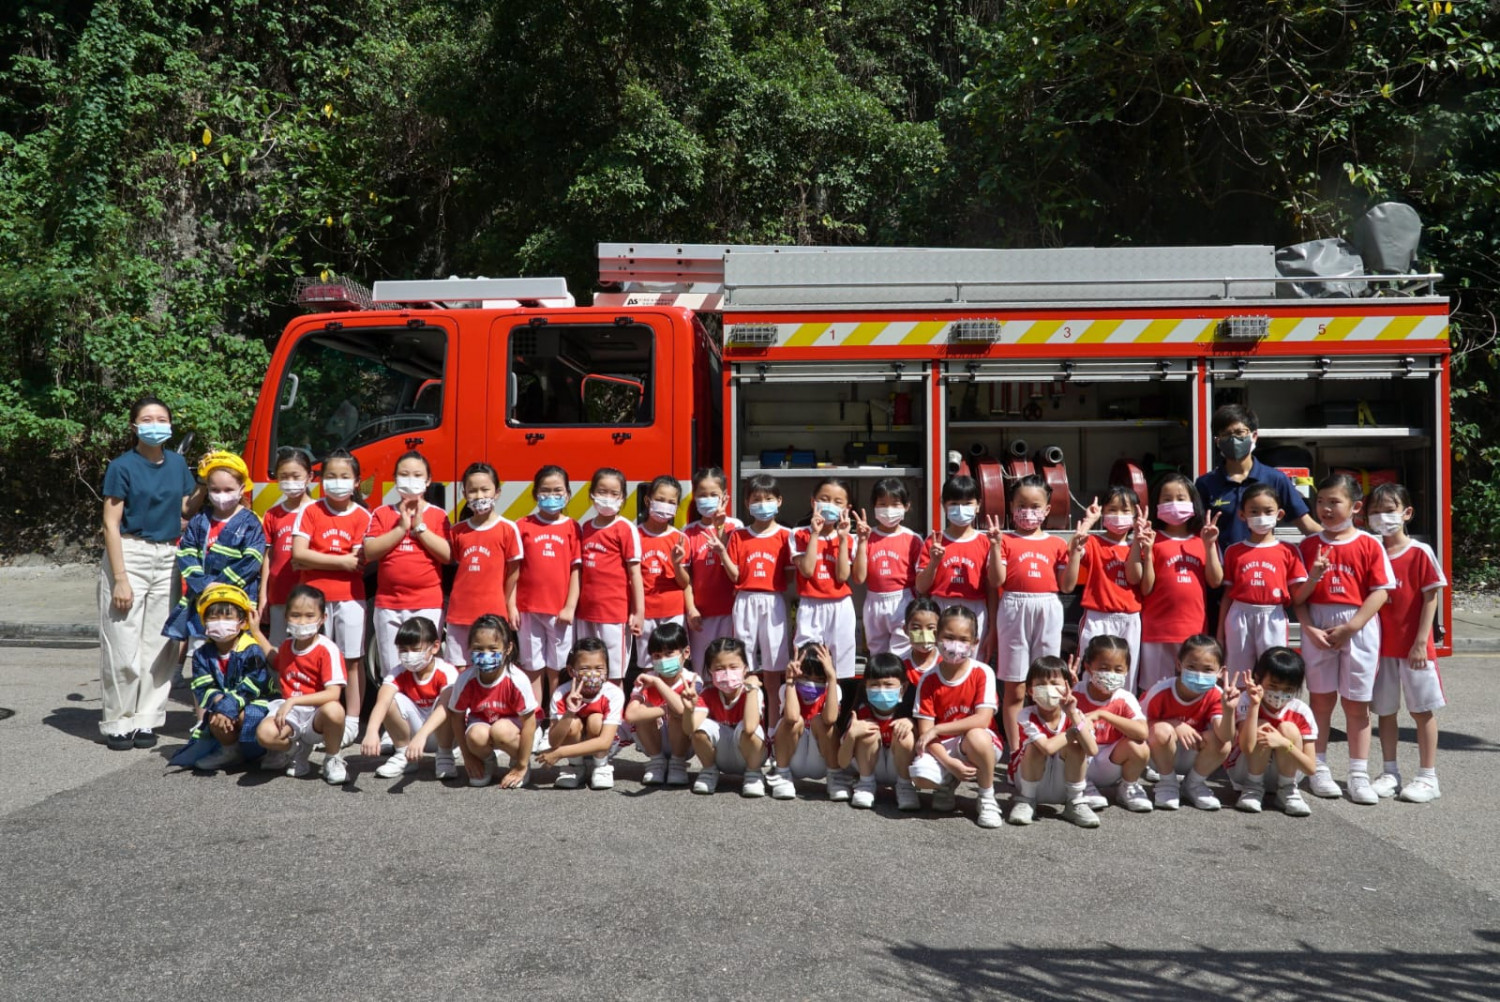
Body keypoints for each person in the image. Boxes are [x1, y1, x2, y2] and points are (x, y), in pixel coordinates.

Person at [98, 396, 203, 748]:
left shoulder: (178, 464)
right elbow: (110, 524)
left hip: (168, 555)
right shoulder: (122, 466)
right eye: (147, 419)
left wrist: (204, 482)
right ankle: (119, 720)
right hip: (130, 553)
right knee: (122, 645)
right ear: (134, 426)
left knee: (160, 645)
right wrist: (120, 578)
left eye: (161, 418)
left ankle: (146, 719)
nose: (155, 424)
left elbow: (186, 507)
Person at [1295, 473, 1396, 805]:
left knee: (1356, 704)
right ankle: (1317, 768)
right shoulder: (1308, 546)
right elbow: (1298, 598)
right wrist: (1309, 628)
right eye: (1320, 502)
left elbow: (1381, 591)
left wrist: (1352, 627)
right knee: (1321, 701)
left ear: (1355, 506)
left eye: (1334, 502)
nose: (1325, 508)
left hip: (1358, 626)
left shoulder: (1370, 544)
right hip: (1318, 628)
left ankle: (1358, 773)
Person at [1365, 482, 1446, 803]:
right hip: (1380, 649)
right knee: (1385, 712)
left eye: (1389, 510)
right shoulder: (1372, 551)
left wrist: (1421, 641)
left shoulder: (1420, 552)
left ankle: (1428, 777)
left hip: (1415, 649)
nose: (1382, 517)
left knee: (1421, 711)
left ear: (1407, 512)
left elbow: (1431, 598)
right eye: (1375, 511)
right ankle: (1390, 772)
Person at [290, 449, 371, 745]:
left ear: (357, 482)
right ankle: (313, 718)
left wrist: (317, 558)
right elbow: (298, 554)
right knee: (313, 658)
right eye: (331, 476)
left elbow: (358, 561)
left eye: (344, 476)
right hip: (312, 599)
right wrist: (340, 561)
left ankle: (352, 721)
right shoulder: (310, 511)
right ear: (321, 480)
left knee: (352, 660)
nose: (337, 482)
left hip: (350, 598)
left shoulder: (363, 516)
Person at [988, 473, 1070, 758]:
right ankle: (1016, 751)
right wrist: (995, 546)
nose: (1028, 512)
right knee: (1016, 687)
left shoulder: (1057, 543)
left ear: (1047, 509)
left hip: (1047, 605)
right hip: (1014, 606)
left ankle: (1047, 747)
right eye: (1021, 505)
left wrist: (1077, 551)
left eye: (1035, 506)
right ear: (1011, 507)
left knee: (1047, 683)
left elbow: (1067, 585)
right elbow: (996, 580)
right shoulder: (1005, 540)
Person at [408, 613, 537, 789]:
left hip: (511, 728)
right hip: (481, 725)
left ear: (508, 648)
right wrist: (468, 757)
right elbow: (457, 718)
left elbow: (529, 723)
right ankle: (486, 761)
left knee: (501, 730)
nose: (485, 655)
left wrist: (522, 765)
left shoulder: (517, 679)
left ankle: (518, 762)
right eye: (478, 649)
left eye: (493, 649)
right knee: (476, 735)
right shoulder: (466, 679)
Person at [163, 450, 265, 658]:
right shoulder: (200, 521)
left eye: (228, 489)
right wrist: (203, 585)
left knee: (238, 652)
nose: (221, 495)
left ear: (242, 489)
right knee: (203, 653)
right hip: (204, 601)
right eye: (215, 489)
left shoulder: (251, 522)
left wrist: (219, 585)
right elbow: (186, 552)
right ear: (207, 489)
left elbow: (252, 559)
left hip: (237, 599)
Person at [908, 605, 1003, 829]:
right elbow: (926, 733)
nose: (955, 645)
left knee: (976, 736)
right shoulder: (928, 680)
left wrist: (938, 729)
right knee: (920, 775)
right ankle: (947, 782)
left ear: (975, 642)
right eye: (949, 637)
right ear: (937, 637)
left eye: (963, 639)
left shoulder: (982, 672)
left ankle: (987, 797)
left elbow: (982, 719)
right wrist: (951, 764)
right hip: (943, 747)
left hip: (980, 742)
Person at [1128, 474, 1223, 693]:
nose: (1174, 504)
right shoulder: (1152, 539)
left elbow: (1215, 581)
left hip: (1194, 631)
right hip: (1157, 631)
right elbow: (1145, 588)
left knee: (1191, 691)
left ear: (1193, 502)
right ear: (1157, 504)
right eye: (1167, 499)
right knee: (1155, 691)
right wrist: (1147, 550)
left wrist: (1209, 546)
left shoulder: (1203, 539)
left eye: (1181, 498)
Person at [363, 451, 451, 681]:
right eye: (404, 474)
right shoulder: (382, 513)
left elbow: (447, 555)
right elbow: (370, 551)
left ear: (428, 480)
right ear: (395, 479)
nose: (410, 480)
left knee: (425, 669)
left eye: (417, 475)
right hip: (388, 605)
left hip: (427, 604)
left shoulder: (438, 515)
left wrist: (420, 528)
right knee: (392, 671)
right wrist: (401, 528)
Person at [250, 584, 350, 783]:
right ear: (286, 616)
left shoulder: (327, 649)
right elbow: (275, 660)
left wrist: (293, 701)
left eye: (309, 616)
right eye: (295, 615)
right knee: (265, 734)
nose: (302, 621)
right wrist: (256, 632)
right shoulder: (287, 645)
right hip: (291, 714)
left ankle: (332, 758)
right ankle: (294, 751)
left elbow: (333, 693)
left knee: (335, 710)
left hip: (316, 715)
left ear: (323, 618)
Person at [1195, 402, 1319, 550]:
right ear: (1217, 441)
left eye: (1240, 432)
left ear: (1254, 436)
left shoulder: (1275, 479)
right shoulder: (1206, 484)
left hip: (1265, 562)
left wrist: (1339, 542)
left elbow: (1307, 525)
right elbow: (1193, 532)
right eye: (1226, 434)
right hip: (1222, 564)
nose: (1233, 439)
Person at [1218, 484, 1314, 673]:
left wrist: (1315, 577)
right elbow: (1228, 595)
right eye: (1254, 511)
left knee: (1274, 670)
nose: (1261, 516)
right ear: (1242, 515)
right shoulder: (1234, 551)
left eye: (1268, 511)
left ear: (1279, 514)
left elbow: (1298, 595)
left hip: (1273, 614)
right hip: (1239, 614)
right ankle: (1240, 694)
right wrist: (1220, 632)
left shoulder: (1288, 550)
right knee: (1237, 673)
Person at [515, 465, 581, 742]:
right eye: (545, 491)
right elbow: (514, 571)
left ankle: (554, 722)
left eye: (557, 491)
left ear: (567, 494)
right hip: (528, 610)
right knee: (532, 669)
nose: (551, 496)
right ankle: (534, 725)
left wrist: (570, 606)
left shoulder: (572, 527)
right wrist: (511, 605)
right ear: (535, 494)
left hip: (560, 613)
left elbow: (576, 570)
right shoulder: (522, 526)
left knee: (557, 671)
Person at [724, 474, 793, 722]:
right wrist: (721, 552)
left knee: (774, 671)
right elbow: (734, 575)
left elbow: (789, 576)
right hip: (745, 600)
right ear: (746, 503)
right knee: (744, 665)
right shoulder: (738, 536)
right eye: (756, 499)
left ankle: (772, 727)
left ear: (779, 501)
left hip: (773, 601)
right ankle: (746, 725)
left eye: (768, 498)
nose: (762, 504)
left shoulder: (786, 535)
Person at [185, 584, 275, 772]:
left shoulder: (252, 649)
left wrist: (229, 706)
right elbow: (203, 686)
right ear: (204, 622)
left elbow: (254, 684)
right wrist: (221, 706)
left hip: (255, 703)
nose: (220, 623)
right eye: (213, 617)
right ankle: (230, 751)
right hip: (225, 704)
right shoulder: (202, 654)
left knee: (244, 716)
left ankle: (270, 750)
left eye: (228, 617)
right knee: (215, 718)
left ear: (242, 622)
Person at [1141, 635, 1235, 811]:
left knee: (1222, 743)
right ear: (1179, 665)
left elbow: (1226, 736)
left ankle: (1193, 784)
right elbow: (1138, 727)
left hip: (1194, 754)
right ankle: (1167, 783)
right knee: (1161, 730)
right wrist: (1175, 724)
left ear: (1221, 672)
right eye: (1191, 667)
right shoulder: (1159, 691)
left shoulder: (1217, 695)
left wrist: (1229, 710)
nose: (1199, 674)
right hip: (1159, 756)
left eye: (1208, 669)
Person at [360, 616, 461, 779]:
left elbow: (444, 708)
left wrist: (421, 736)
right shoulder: (397, 673)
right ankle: (403, 754)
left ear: (435, 647)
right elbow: (382, 702)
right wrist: (371, 731)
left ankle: (445, 755)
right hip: (413, 733)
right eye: (403, 650)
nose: (409, 655)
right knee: (390, 701)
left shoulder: (446, 671)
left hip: (442, 734)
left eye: (415, 649)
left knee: (448, 702)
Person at [1007, 655, 1101, 828]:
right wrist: (1074, 732)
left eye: (1054, 683)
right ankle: (1026, 801)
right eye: (1041, 684)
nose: (1048, 689)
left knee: (1076, 747)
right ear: (1030, 691)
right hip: (1031, 784)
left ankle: (1075, 802)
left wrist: (1073, 715)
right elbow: (1047, 748)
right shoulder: (1026, 714)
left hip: (1064, 786)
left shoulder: (1076, 715)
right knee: (1034, 747)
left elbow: (1092, 750)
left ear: (1067, 688)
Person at [1062, 489, 1145, 682]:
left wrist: (1137, 539)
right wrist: (1088, 522)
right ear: (1103, 513)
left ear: (1135, 514)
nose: (1118, 515)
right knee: (1090, 673)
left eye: (1125, 510)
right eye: (1112, 510)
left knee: (1126, 676)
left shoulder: (1139, 545)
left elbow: (1135, 578)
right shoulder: (1094, 542)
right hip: (1098, 617)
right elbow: (1072, 548)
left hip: (1129, 618)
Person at [447, 462, 524, 667]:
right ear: (464, 494)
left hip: (493, 614)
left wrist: (508, 605)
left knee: (489, 666)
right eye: (473, 491)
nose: (479, 496)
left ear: (497, 492)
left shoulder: (508, 529)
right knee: (459, 668)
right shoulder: (457, 531)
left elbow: (513, 573)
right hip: (459, 614)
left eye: (485, 489)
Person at [790, 478, 859, 702]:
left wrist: (842, 539)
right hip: (810, 605)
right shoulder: (798, 533)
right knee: (804, 661)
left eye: (838, 502)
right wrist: (814, 533)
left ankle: (836, 714)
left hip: (840, 606)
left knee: (840, 668)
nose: (830, 505)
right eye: (824, 499)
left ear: (847, 508)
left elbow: (842, 576)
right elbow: (807, 570)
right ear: (813, 502)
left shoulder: (850, 538)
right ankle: (806, 712)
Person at [1226, 647, 1317, 816]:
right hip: (1245, 770)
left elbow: (1311, 768)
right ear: (1258, 678)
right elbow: (1246, 747)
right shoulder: (1246, 700)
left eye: (1287, 689)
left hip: (1287, 773)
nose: (1279, 693)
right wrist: (1254, 705)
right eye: (1273, 686)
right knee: (1262, 725)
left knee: (1288, 729)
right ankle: (1253, 787)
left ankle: (1287, 790)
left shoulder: (1301, 710)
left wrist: (1284, 744)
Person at [576, 466, 644, 681]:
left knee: (613, 673)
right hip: (585, 613)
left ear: (622, 498)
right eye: (602, 491)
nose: (607, 497)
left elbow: (635, 574)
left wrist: (638, 612)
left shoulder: (625, 528)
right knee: (587, 670)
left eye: (614, 493)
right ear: (591, 494)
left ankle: (614, 704)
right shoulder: (585, 527)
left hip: (614, 614)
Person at [1071, 635, 1152, 812]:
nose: (1111, 674)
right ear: (1088, 667)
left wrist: (1104, 714)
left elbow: (1142, 732)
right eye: (1104, 668)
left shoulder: (1125, 698)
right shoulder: (1075, 692)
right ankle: (1082, 785)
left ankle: (1127, 787)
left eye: (1118, 669)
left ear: (1127, 670)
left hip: (1110, 763)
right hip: (1078, 760)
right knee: (1073, 736)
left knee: (1140, 746)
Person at [537, 638, 626, 790]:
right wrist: (570, 712)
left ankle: (601, 766)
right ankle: (575, 767)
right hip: (574, 743)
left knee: (596, 720)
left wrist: (559, 753)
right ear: (572, 671)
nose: (593, 673)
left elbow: (605, 742)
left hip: (601, 746)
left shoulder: (614, 694)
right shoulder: (561, 694)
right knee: (571, 723)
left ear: (607, 669)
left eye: (599, 668)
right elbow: (553, 741)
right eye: (585, 668)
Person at [913, 475, 992, 644]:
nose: (961, 509)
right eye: (954, 503)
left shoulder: (985, 542)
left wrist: (993, 627)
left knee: (971, 655)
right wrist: (934, 562)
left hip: (975, 607)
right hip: (941, 606)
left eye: (967, 503)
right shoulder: (934, 541)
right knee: (941, 655)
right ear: (944, 505)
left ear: (978, 505)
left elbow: (991, 588)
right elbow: (921, 587)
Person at [688, 637, 768, 797]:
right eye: (719, 668)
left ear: (745, 668)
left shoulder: (752, 692)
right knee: (699, 729)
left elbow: (750, 727)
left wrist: (752, 689)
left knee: (749, 729)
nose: (727, 673)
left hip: (750, 755)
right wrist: (688, 707)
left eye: (733, 667)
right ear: (710, 671)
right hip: (721, 756)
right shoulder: (707, 694)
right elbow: (690, 729)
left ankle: (753, 774)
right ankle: (709, 771)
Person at [837, 652, 918, 810]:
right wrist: (852, 734)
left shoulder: (910, 712)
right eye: (874, 685)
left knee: (905, 734)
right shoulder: (860, 713)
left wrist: (913, 725)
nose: (881, 690)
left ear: (903, 687)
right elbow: (842, 762)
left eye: (888, 685)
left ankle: (905, 786)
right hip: (870, 768)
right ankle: (866, 784)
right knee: (867, 731)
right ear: (865, 686)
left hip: (900, 768)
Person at [852, 478, 923, 658]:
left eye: (895, 504)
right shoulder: (865, 537)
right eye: (882, 504)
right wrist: (862, 542)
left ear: (906, 506)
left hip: (903, 600)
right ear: (874, 506)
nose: (889, 509)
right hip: (874, 601)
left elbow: (922, 581)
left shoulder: (913, 539)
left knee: (905, 653)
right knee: (877, 654)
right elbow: (859, 578)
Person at [625, 622, 699, 787]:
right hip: (653, 741)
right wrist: (663, 709)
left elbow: (681, 710)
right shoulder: (645, 680)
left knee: (678, 714)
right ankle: (656, 762)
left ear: (686, 652)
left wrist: (658, 683)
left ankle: (677, 763)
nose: (663, 660)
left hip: (685, 744)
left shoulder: (693, 680)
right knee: (643, 712)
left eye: (669, 653)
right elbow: (630, 716)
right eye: (657, 656)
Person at [765, 642, 841, 801]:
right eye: (806, 677)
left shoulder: (833, 690)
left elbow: (830, 718)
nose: (812, 683)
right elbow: (792, 717)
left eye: (819, 679)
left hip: (820, 760)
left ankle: (835, 777)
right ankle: (782, 774)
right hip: (793, 758)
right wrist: (790, 680)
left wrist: (832, 678)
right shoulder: (786, 688)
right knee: (795, 721)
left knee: (822, 722)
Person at [259, 446, 315, 643]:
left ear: (309, 477)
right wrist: (264, 596)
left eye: (296, 476)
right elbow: (268, 556)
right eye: (284, 477)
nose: (290, 482)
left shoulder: (317, 511)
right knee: (278, 647)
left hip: (309, 596)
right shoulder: (272, 514)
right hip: (279, 594)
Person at [636, 474, 692, 669]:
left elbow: (684, 582)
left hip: (673, 611)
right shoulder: (634, 536)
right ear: (647, 501)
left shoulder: (680, 538)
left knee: (673, 663)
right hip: (645, 612)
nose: (665, 505)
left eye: (671, 502)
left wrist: (677, 564)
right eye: (660, 499)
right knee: (649, 664)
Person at [682, 466, 741, 648]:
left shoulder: (736, 527)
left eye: (713, 495)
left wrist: (719, 526)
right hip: (701, 615)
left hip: (730, 612)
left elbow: (732, 563)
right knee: (703, 663)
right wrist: (691, 609)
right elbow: (686, 578)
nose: (707, 499)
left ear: (724, 496)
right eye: (702, 495)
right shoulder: (688, 532)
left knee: (728, 660)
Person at [900, 596, 941, 692]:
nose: (924, 635)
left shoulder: (947, 663)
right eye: (916, 628)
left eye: (930, 628)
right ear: (905, 630)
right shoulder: (901, 666)